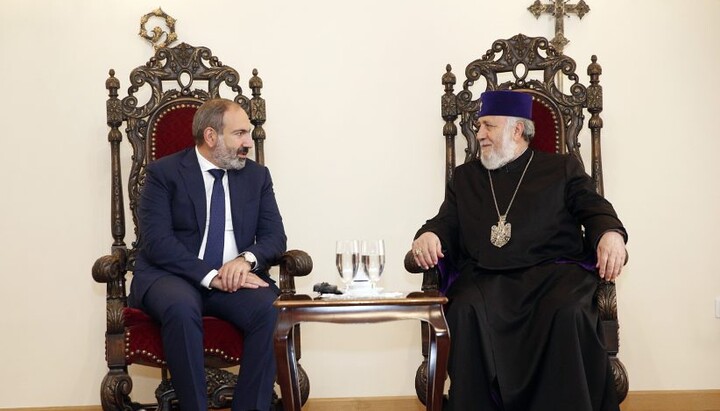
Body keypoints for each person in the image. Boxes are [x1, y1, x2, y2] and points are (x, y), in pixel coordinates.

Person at [411, 90, 627, 411]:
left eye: (488, 126)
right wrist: (429, 235)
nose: (479, 134)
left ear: (517, 130)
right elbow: (446, 222)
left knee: (568, 310)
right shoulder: (466, 178)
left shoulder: (562, 168)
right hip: (485, 279)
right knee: (464, 308)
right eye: (479, 126)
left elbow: (594, 207)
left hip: (552, 277)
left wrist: (610, 233)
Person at [129, 98, 286, 411]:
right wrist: (210, 276)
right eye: (240, 134)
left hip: (233, 278)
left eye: (248, 133)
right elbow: (157, 242)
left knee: (273, 310)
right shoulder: (163, 173)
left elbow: (274, 237)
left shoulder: (256, 176)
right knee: (181, 307)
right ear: (211, 136)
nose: (249, 142)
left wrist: (245, 261)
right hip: (172, 276)